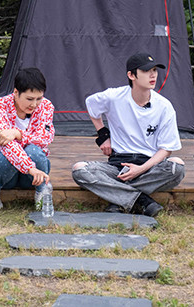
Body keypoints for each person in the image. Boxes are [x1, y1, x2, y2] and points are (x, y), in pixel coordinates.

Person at [71, 53, 185, 217]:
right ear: (131, 75)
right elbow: (91, 104)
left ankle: (118, 198)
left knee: (177, 166)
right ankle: (142, 201)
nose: (152, 75)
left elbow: (166, 149)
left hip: (149, 166)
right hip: (118, 165)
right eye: (146, 71)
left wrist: (140, 169)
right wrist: (103, 135)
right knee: (79, 170)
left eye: (154, 70)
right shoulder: (114, 97)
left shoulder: (164, 106)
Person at [0, 67, 54, 215]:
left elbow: (46, 138)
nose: (34, 104)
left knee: (34, 150)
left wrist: (18, 134)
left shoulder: (46, 106)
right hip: (2, 169)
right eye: (30, 99)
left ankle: (42, 192)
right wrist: (30, 168)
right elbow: (7, 145)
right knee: (6, 155)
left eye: (39, 98)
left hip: (31, 176)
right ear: (16, 93)